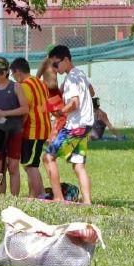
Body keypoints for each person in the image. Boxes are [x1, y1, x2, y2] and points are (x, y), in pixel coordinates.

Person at [43, 45, 94, 204]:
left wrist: (60, 112)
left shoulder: (71, 78)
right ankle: (87, 202)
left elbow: (74, 103)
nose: (55, 68)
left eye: (56, 64)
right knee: (78, 165)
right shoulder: (79, 74)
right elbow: (91, 92)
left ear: (66, 59)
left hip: (75, 126)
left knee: (48, 157)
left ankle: (58, 197)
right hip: (86, 125)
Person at [0, 57, 28, 196]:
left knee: (13, 166)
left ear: (6, 72)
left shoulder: (16, 87)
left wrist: (5, 113)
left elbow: (25, 109)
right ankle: (0, 197)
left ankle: (14, 198)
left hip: (14, 130)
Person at [10, 57, 50, 199]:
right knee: (32, 164)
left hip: (33, 130)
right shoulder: (40, 82)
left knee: (29, 165)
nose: (14, 79)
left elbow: (24, 110)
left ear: (18, 73)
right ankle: (42, 194)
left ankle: (34, 195)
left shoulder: (25, 86)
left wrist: (18, 127)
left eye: (13, 75)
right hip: (43, 128)